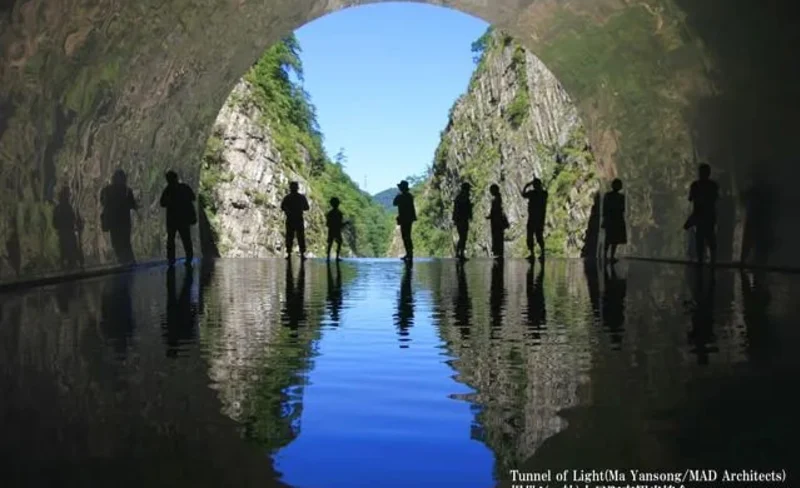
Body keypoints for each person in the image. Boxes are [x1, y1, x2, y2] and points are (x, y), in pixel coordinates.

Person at [100, 169, 138, 264]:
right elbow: (133, 205)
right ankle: (129, 261)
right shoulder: (126, 190)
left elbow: (102, 202)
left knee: (117, 243)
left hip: (114, 222)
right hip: (124, 222)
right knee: (125, 243)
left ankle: (122, 261)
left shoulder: (107, 190)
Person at [159, 170, 196, 266]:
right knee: (185, 238)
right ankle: (189, 258)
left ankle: (171, 259)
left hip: (172, 219)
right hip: (183, 218)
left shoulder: (168, 190)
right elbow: (193, 197)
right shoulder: (184, 187)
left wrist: (171, 202)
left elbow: (162, 203)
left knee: (171, 239)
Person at [685, 164, 719, 265]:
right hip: (709, 215)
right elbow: (716, 198)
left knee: (700, 238)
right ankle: (712, 261)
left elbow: (690, 199)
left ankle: (701, 260)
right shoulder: (713, 185)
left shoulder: (695, 185)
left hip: (700, 215)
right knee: (709, 236)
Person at [281, 181, 310, 260]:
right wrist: (300, 207)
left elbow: (282, 207)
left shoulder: (287, 197)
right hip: (298, 218)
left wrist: (288, 210)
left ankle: (289, 254)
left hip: (290, 219)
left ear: (290, 188)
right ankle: (302, 253)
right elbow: (307, 208)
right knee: (300, 236)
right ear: (298, 188)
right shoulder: (301, 197)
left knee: (289, 236)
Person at [521, 177, 548, 261]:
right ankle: (542, 253)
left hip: (532, 218)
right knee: (539, 236)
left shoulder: (532, 193)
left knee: (530, 236)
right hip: (540, 219)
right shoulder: (544, 193)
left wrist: (526, 185)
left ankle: (532, 254)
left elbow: (523, 194)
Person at [602, 178, 627, 263]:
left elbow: (605, 208)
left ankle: (605, 256)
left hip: (610, 218)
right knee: (614, 239)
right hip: (617, 219)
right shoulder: (621, 197)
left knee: (609, 238)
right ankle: (611, 256)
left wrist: (604, 218)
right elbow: (623, 209)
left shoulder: (607, 195)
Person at [393, 180, 416, 261]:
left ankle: (409, 253)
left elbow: (394, 203)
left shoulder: (401, 196)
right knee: (407, 236)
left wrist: (397, 194)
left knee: (405, 236)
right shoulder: (409, 196)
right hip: (409, 219)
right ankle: (410, 253)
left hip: (404, 219)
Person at [452, 182, 473, 260]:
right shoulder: (464, 197)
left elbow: (456, 209)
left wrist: (454, 219)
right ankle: (460, 254)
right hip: (462, 219)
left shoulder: (459, 197)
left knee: (462, 237)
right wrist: (470, 216)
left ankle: (459, 253)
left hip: (460, 220)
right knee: (463, 237)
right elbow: (466, 208)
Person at [486, 184, 508, 259]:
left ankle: (498, 253)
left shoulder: (497, 199)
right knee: (498, 237)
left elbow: (496, 211)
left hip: (497, 222)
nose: (490, 192)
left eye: (491, 190)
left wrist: (490, 216)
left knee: (497, 237)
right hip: (497, 221)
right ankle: (498, 253)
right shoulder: (498, 198)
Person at [326, 197, 345, 261]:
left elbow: (327, 224)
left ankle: (328, 257)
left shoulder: (329, 213)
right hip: (337, 231)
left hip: (331, 230)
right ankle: (337, 257)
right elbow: (340, 224)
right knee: (339, 243)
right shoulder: (339, 213)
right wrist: (346, 223)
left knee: (330, 243)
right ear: (338, 204)